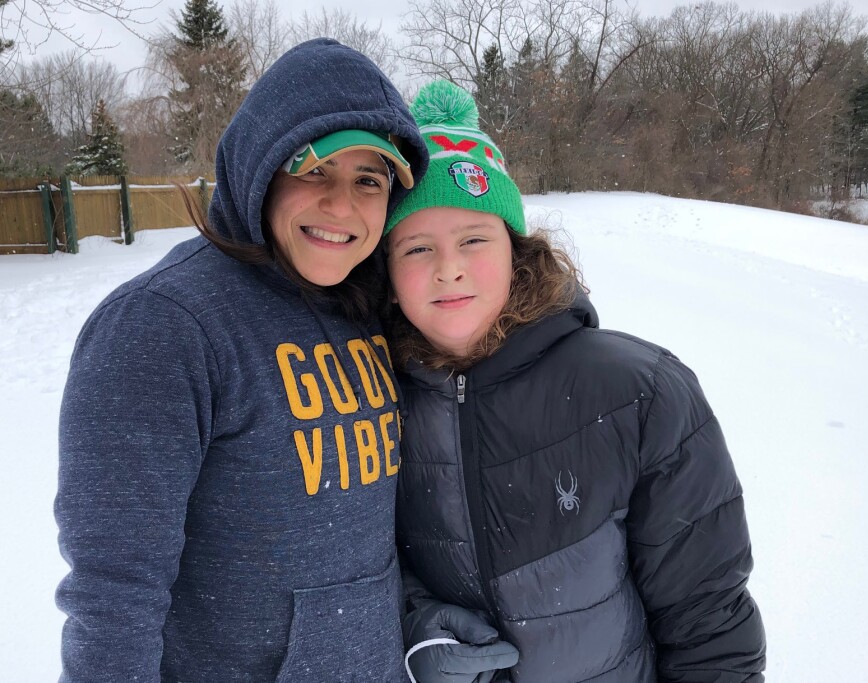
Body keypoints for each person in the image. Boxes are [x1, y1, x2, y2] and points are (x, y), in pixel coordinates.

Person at [55, 39, 429, 682]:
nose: (342, 206)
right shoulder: (162, 326)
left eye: (369, 180)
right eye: (315, 169)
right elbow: (114, 594)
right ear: (260, 167)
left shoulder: (368, 305)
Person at [382, 80, 766, 683]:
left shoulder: (639, 392)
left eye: (474, 239)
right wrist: (415, 629)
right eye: (415, 248)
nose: (448, 267)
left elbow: (707, 614)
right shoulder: (371, 398)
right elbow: (356, 564)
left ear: (516, 249)